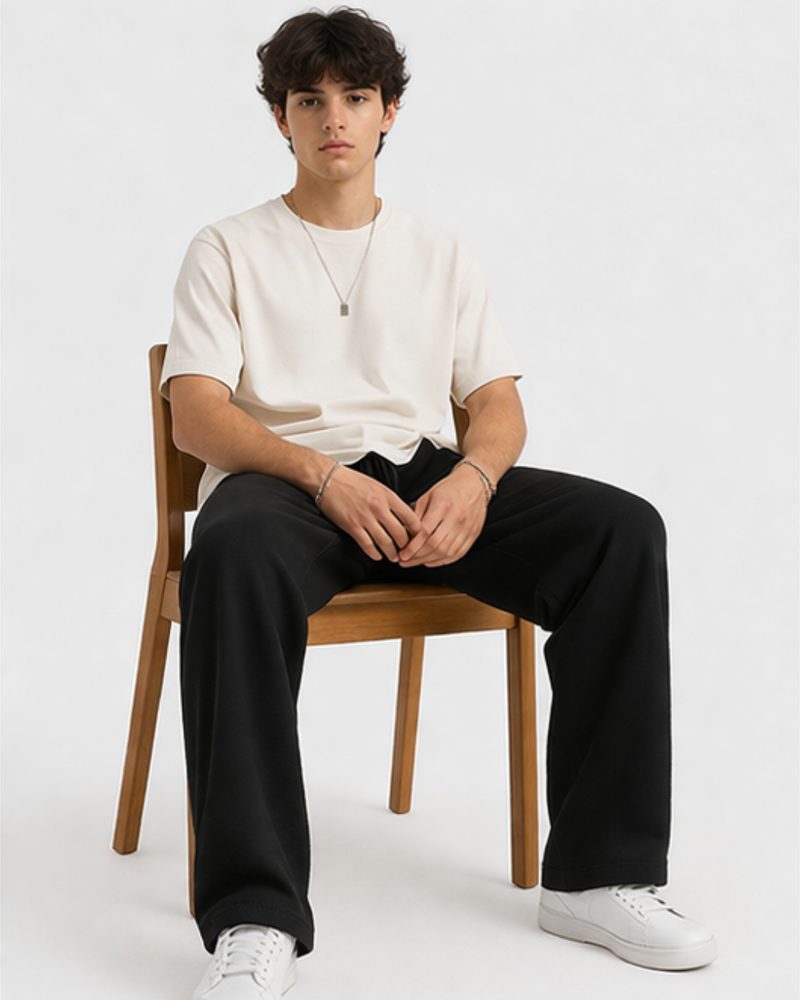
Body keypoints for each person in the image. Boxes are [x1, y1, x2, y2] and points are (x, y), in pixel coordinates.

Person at [162, 9, 717, 998]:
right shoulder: (226, 247)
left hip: (424, 482)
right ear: (279, 120)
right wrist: (319, 475)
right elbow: (196, 413)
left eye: (355, 98)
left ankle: (597, 874)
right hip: (287, 487)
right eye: (309, 101)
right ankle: (252, 914)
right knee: (230, 555)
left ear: (389, 115)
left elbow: (496, 403)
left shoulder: (438, 251)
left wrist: (473, 477)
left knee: (620, 531)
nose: (333, 118)